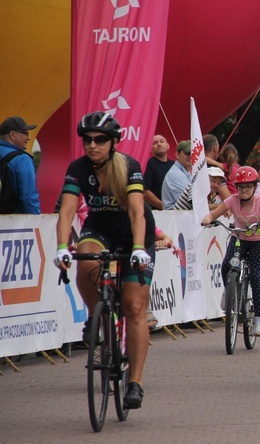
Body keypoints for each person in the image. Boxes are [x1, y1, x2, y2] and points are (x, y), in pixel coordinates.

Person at [53, 112, 156, 410]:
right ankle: (94, 314)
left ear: (113, 143)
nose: (92, 145)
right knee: (85, 260)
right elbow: (67, 212)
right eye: (87, 140)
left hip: (135, 233)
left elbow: (138, 212)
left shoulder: (128, 166)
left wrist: (138, 247)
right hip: (100, 230)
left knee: (134, 307)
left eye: (99, 140)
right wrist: (62, 246)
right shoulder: (78, 168)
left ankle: (134, 382)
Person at [202, 166, 260, 337]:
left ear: (254, 187)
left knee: (255, 276)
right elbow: (214, 214)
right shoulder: (232, 200)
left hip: (258, 241)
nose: (244, 190)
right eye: (241, 187)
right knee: (226, 264)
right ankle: (228, 291)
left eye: (248, 186)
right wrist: (207, 218)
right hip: (239, 239)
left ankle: (259, 319)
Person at [0, 116, 41, 214]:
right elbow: (29, 197)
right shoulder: (22, 159)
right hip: (12, 224)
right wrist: (36, 221)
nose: (28, 138)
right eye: (25, 134)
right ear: (13, 135)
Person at [142, 135, 174, 210]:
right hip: (156, 212)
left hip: (175, 211)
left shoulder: (174, 165)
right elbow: (145, 192)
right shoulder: (149, 164)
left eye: (162, 141)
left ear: (168, 146)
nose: (159, 144)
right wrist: (164, 207)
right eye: (155, 143)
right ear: (151, 149)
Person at [162, 140, 192, 210]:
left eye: (193, 153)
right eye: (187, 153)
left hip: (179, 217)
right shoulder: (176, 174)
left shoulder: (185, 173)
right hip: (175, 218)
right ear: (177, 154)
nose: (191, 156)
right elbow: (191, 202)